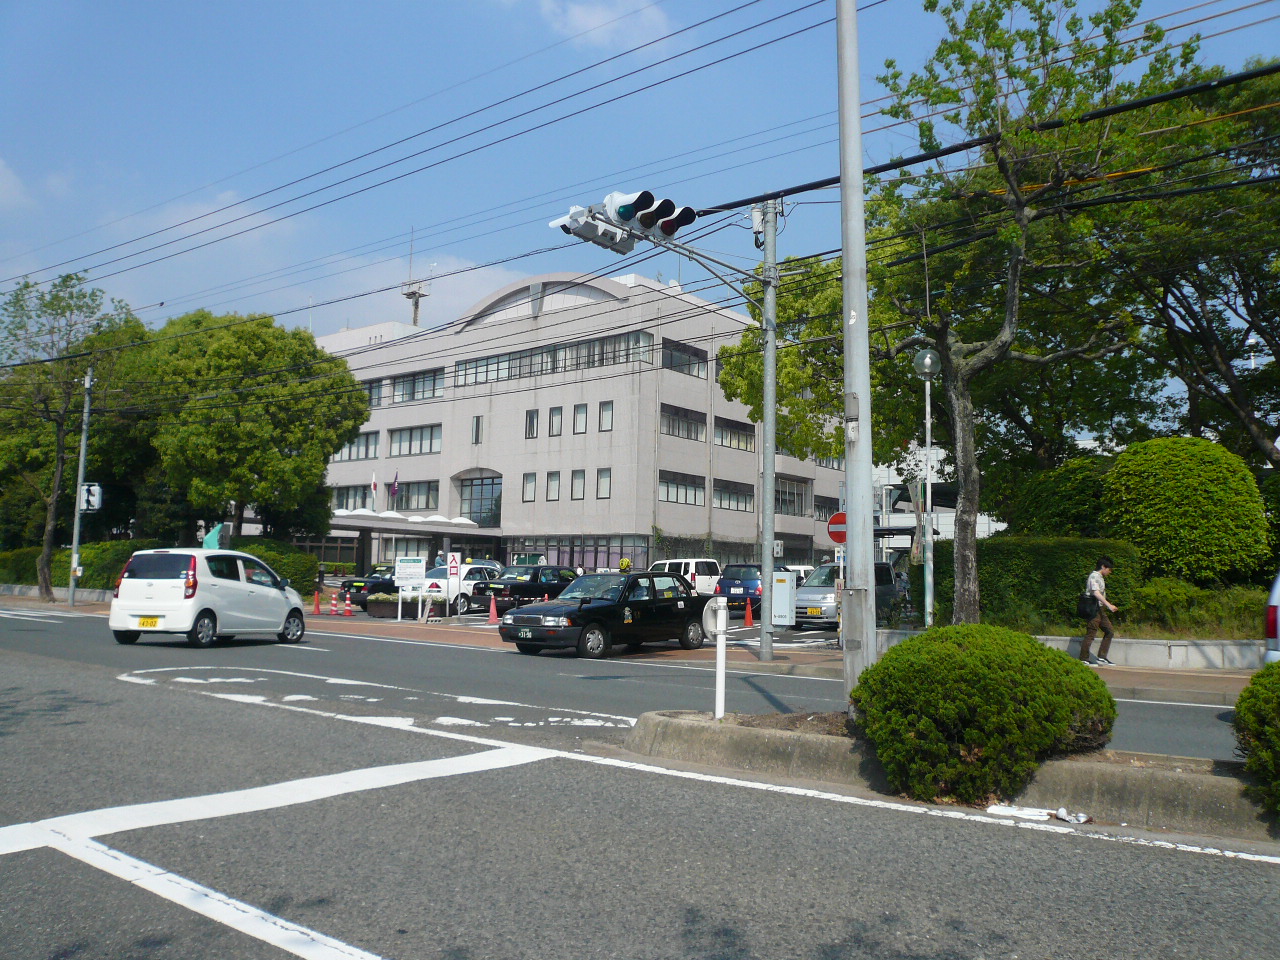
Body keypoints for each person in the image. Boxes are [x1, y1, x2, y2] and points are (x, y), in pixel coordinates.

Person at [1079, 556, 1118, 666]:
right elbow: (1096, 592)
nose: (1110, 572)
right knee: (1091, 633)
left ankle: (1102, 657)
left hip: (1100, 609)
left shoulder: (1100, 577)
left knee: (1109, 631)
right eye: (1109, 569)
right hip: (1093, 609)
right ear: (1103, 566)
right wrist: (1109, 605)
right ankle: (1083, 658)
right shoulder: (1094, 576)